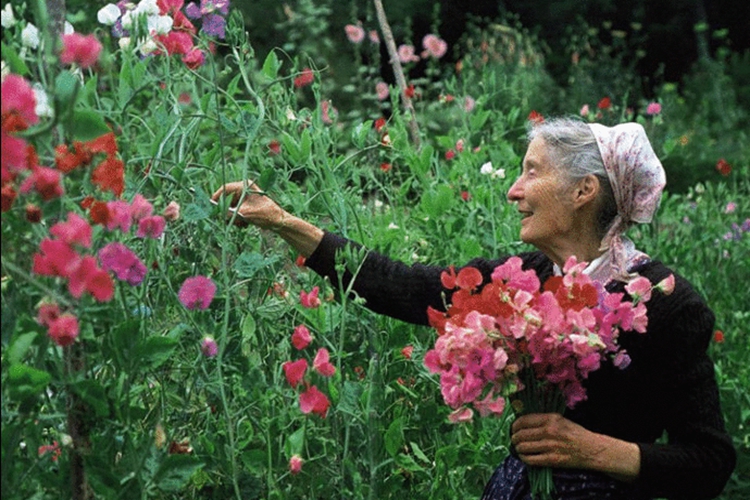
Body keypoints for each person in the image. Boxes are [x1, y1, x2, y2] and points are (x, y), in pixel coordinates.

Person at [212, 118, 736, 499]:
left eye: (531, 172)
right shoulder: (521, 278)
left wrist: (593, 450)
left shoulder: (665, 302)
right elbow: (403, 286)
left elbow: (709, 462)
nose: (513, 191)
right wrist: (282, 221)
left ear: (583, 190)